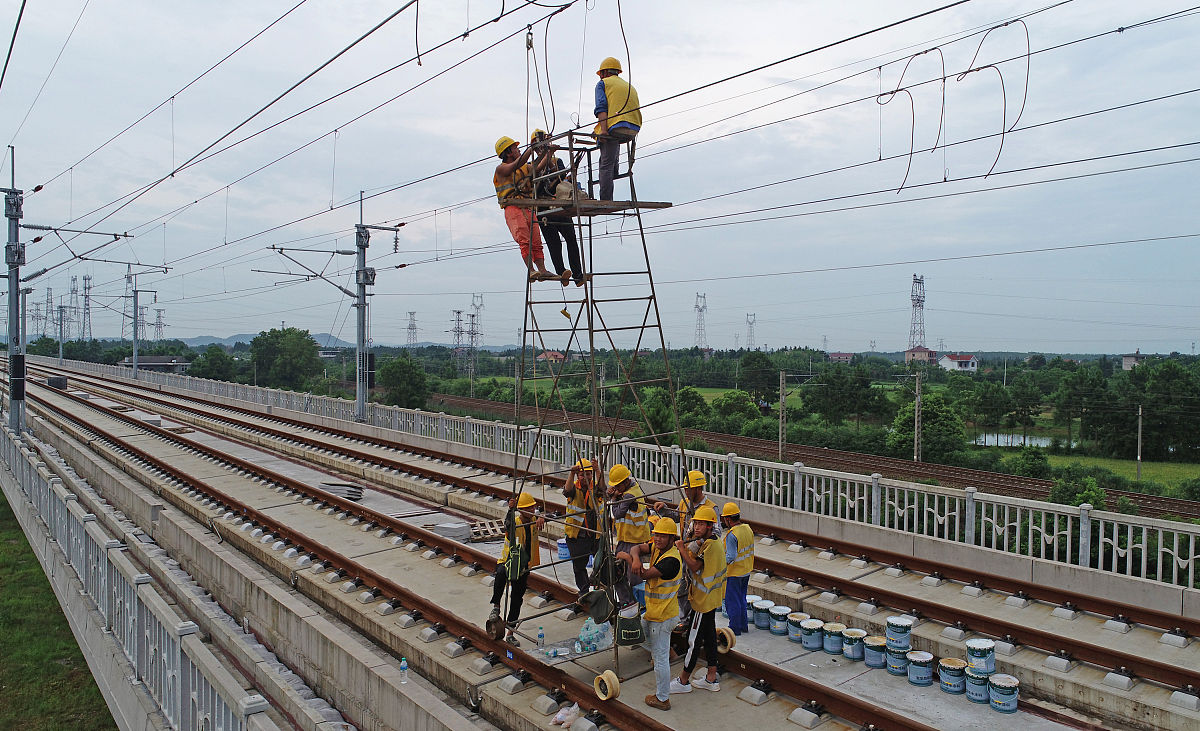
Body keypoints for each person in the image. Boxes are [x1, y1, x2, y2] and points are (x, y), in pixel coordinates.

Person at [620, 517, 682, 712]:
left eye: (663, 536)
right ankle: (667, 651)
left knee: (660, 658)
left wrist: (629, 559)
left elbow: (644, 575)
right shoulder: (657, 547)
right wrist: (635, 556)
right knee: (640, 636)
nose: (658, 539)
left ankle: (662, 698)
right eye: (656, 534)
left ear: (672, 538)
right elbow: (637, 548)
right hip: (654, 612)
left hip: (663, 616)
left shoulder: (671, 560)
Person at [670, 505, 727, 695]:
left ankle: (683, 680)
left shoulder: (710, 546)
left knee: (693, 640)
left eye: (702, 524)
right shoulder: (713, 542)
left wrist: (681, 549)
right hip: (711, 598)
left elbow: (694, 566)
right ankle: (711, 677)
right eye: (696, 523)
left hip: (703, 601)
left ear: (711, 526)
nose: (697, 527)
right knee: (710, 637)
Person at [493, 135, 560, 282]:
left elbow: (537, 167)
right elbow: (516, 165)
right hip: (512, 207)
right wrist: (531, 150)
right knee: (524, 240)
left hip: (528, 207)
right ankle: (531, 270)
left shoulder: (523, 167)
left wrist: (549, 153)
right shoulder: (501, 169)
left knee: (536, 241)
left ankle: (542, 270)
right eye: (515, 148)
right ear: (508, 152)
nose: (518, 150)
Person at [529, 129, 586, 287]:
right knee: (554, 243)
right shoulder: (531, 167)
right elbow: (536, 188)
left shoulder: (557, 160)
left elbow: (559, 182)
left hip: (560, 206)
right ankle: (562, 273)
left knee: (571, 239)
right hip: (543, 209)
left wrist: (554, 166)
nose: (544, 147)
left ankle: (578, 273)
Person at [488, 492, 544, 645]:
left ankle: (510, 632)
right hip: (508, 561)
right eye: (529, 509)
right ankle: (496, 606)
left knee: (517, 599)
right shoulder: (515, 522)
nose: (532, 511)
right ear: (521, 510)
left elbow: (547, 513)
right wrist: (510, 510)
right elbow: (507, 524)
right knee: (500, 575)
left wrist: (542, 516)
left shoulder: (533, 520)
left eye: (533, 509)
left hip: (523, 567)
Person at [593, 56, 641, 201]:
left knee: (604, 164)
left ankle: (606, 199)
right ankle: (615, 170)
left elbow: (601, 108)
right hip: (633, 127)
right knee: (613, 145)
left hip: (615, 126)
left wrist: (603, 130)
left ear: (605, 72)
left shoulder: (602, 84)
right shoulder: (628, 85)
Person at [607, 463, 650, 605]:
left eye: (618, 486)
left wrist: (613, 499)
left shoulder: (630, 494)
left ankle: (632, 604)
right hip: (627, 538)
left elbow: (617, 513)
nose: (616, 488)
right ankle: (627, 603)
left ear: (626, 482)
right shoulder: (632, 488)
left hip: (634, 540)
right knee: (619, 572)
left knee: (631, 574)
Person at [562, 458, 598, 597]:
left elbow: (602, 489)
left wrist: (597, 470)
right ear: (578, 476)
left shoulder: (595, 488)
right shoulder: (574, 488)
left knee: (601, 562)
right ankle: (583, 592)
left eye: (588, 474)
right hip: (577, 535)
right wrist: (571, 473)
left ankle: (597, 584)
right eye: (582, 474)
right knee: (579, 566)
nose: (585, 477)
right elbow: (567, 490)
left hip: (595, 534)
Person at [721, 501, 754, 636]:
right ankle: (743, 625)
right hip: (746, 571)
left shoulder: (732, 535)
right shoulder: (747, 528)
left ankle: (734, 628)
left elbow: (731, 556)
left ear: (728, 519)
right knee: (741, 598)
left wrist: (719, 565)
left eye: (724, 519)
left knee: (732, 601)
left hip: (734, 573)